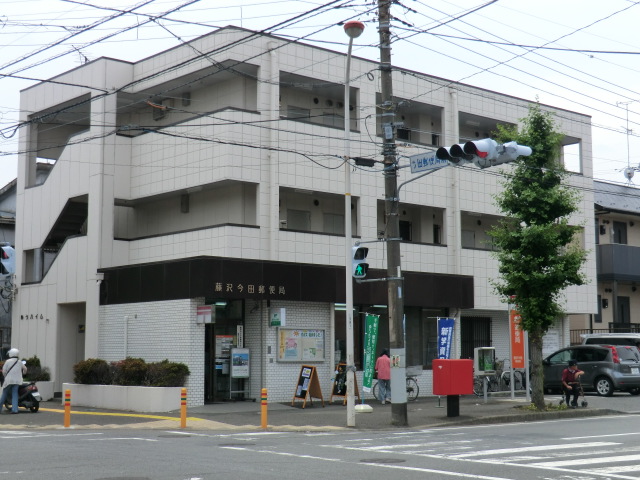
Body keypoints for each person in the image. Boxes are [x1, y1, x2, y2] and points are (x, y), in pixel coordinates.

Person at [0, 348, 27, 414]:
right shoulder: (19, 362)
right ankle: (15, 410)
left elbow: (4, 371)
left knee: (4, 394)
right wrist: (23, 373)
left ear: (11, 354)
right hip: (17, 381)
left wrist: (6, 376)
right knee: (15, 394)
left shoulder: (8, 361)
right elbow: (25, 369)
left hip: (9, 381)